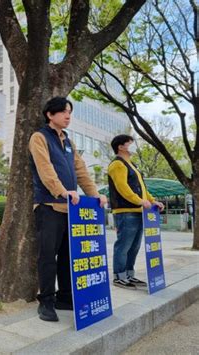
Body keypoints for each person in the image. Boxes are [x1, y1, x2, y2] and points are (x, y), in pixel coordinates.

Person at [29, 97, 108, 322]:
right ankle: (45, 301)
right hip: (48, 205)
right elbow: (44, 169)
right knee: (47, 256)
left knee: (67, 255)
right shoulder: (39, 137)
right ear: (50, 114)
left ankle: (65, 297)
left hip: (70, 210)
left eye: (70, 112)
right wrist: (62, 191)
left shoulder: (68, 142)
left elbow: (81, 171)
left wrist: (95, 195)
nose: (68, 116)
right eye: (63, 112)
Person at [108, 135, 164, 290]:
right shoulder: (117, 164)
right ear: (121, 146)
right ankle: (119, 276)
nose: (133, 145)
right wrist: (139, 201)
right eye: (130, 143)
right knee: (124, 245)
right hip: (126, 211)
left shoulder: (131, 164)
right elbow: (122, 188)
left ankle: (129, 274)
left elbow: (142, 188)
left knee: (134, 246)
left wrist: (152, 201)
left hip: (138, 211)